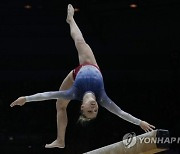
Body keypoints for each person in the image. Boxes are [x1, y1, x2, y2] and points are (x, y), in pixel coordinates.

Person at [10, 4, 155, 148]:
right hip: (90, 64)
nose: (93, 108)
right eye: (95, 111)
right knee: (80, 42)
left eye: (89, 111)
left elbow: (47, 94)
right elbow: (120, 113)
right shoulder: (102, 98)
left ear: (82, 106)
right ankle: (71, 19)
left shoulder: (73, 93)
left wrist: (26, 99)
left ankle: (60, 140)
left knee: (59, 103)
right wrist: (139, 122)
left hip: (76, 74)